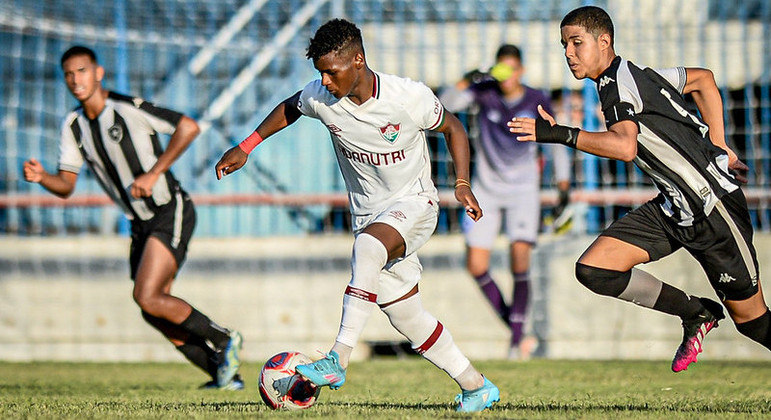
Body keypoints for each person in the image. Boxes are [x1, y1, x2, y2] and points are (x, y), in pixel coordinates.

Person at [215, 19, 499, 412]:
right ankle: (476, 386)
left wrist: (462, 183)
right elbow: (290, 107)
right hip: (370, 217)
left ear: (358, 61)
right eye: (320, 73)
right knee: (406, 315)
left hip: (416, 205)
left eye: (331, 72)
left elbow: (454, 128)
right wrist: (246, 146)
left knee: (368, 247)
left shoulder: (406, 95)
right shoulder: (322, 97)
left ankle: (338, 359)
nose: (325, 81)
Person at [509, 6, 770, 371]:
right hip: (674, 208)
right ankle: (696, 314)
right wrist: (720, 143)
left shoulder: (618, 86)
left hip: (713, 209)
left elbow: (624, 148)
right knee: (594, 269)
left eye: (576, 42)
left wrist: (558, 133)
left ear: (604, 42)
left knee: (755, 323)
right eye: (564, 44)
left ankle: (705, 315)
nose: (568, 52)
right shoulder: (638, 76)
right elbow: (703, 80)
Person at [23, 46, 243, 389]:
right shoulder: (74, 125)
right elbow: (66, 184)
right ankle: (223, 375)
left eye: (82, 71)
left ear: (98, 73)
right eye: (68, 74)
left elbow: (188, 127)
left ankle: (224, 338)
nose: (75, 79)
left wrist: (154, 173)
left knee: (147, 295)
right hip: (140, 223)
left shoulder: (125, 108)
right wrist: (42, 179)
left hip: (169, 209)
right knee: (150, 307)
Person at [440, 44, 571, 360]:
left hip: (524, 191)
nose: (507, 75)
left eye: (512, 68)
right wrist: (467, 78)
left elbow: (555, 141)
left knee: (519, 259)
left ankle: (514, 343)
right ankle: (518, 331)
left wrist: (564, 185)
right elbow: (444, 103)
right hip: (486, 190)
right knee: (476, 265)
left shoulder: (536, 99)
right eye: (502, 69)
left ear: (521, 71)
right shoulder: (484, 92)